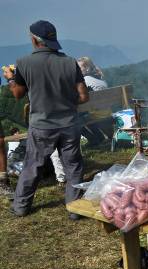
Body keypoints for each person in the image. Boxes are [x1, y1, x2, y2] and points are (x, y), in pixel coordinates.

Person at [3, 20, 89, 220]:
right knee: (73, 166)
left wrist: (9, 77)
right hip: (69, 123)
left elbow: (17, 93)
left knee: (33, 166)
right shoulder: (69, 62)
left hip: (42, 125)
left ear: (34, 39)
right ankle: (75, 209)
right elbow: (84, 97)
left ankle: (21, 207)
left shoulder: (23, 63)